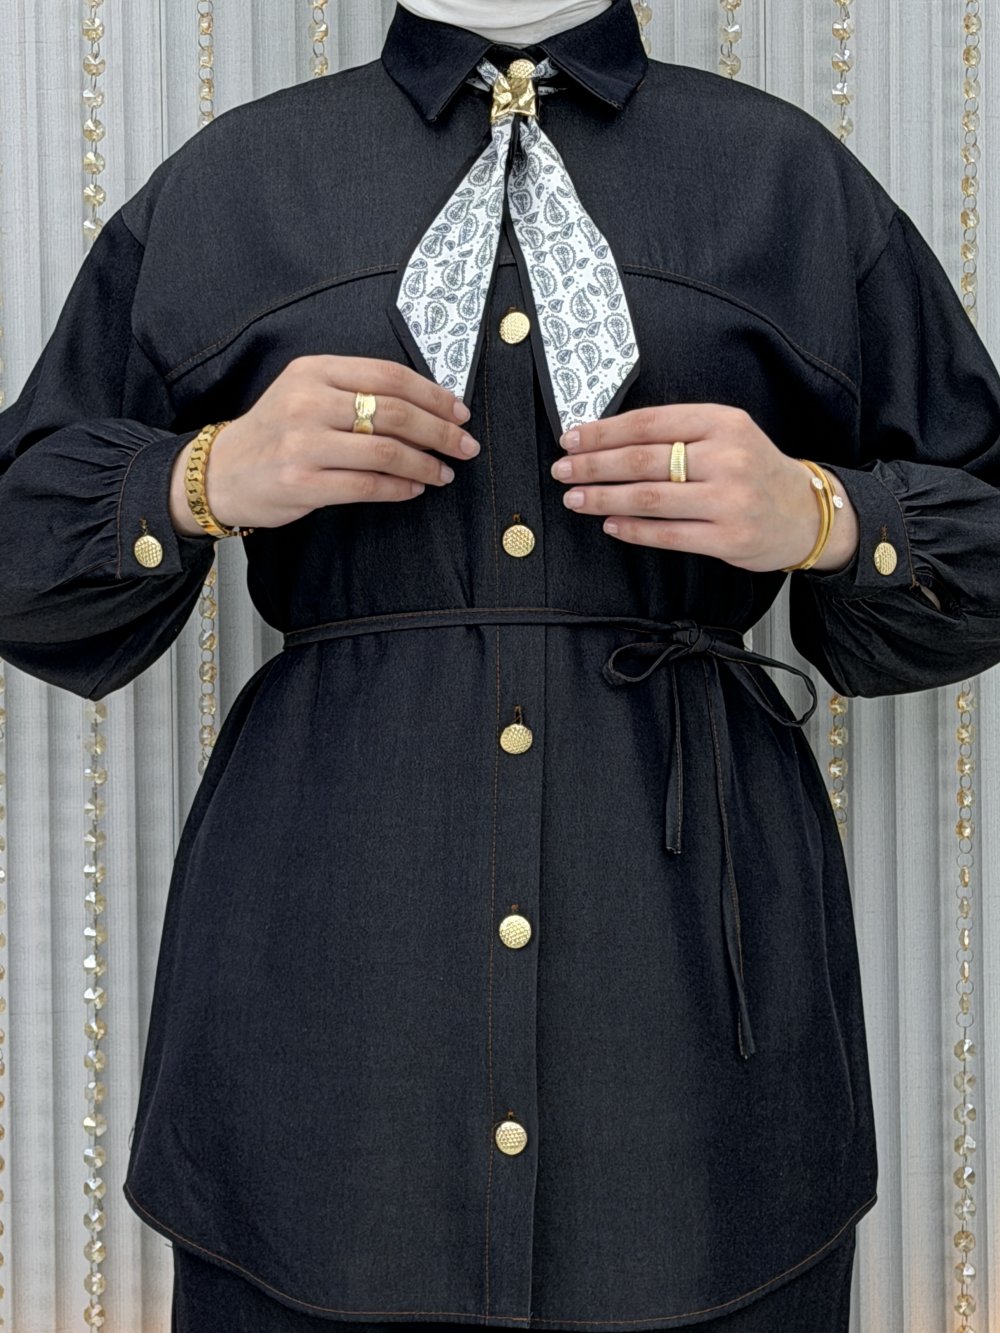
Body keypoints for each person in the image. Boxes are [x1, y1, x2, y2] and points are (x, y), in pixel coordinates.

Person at [1, 1, 999, 1328]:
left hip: (686, 1022)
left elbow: (981, 529)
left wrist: (825, 514)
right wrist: (202, 476)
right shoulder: (236, 183)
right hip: (334, 1021)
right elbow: (23, 559)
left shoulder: (786, 179)